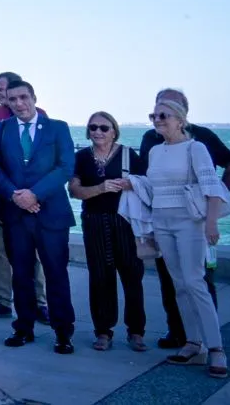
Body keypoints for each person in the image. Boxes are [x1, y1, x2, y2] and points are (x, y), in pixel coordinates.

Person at [133, 90, 230, 379]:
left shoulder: (195, 148)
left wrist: (211, 224)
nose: (157, 120)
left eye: (163, 115)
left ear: (180, 120)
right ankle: (192, 343)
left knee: (195, 281)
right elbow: (152, 189)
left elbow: (211, 187)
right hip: (162, 222)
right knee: (178, 284)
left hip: (190, 223)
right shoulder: (154, 150)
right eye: (154, 116)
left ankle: (216, 349)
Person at [0, 80, 76, 354]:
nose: (19, 104)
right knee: (21, 274)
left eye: (23, 97)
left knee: (56, 274)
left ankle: (63, 333)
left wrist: (34, 195)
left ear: (34, 98)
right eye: (12, 99)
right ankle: (24, 328)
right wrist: (16, 195)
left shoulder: (57, 128)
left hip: (50, 214)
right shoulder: (1, 130)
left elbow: (65, 167)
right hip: (15, 214)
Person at [69, 110, 147, 352]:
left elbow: (145, 184)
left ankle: (136, 331)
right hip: (93, 220)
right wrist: (101, 188)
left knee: (132, 275)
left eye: (104, 127)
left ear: (114, 130)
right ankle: (103, 331)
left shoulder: (127, 155)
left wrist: (130, 183)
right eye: (93, 127)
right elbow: (74, 190)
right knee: (100, 276)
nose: (98, 132)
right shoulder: (81, 157)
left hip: (124, 221)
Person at [0, 71, 45, 321]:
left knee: (36, 251)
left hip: (32, 196)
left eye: (1, 89)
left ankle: (40, 302)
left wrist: (32, 192)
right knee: (1, 251)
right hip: (0, 195)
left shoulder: (41, 116)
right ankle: (2, 300)